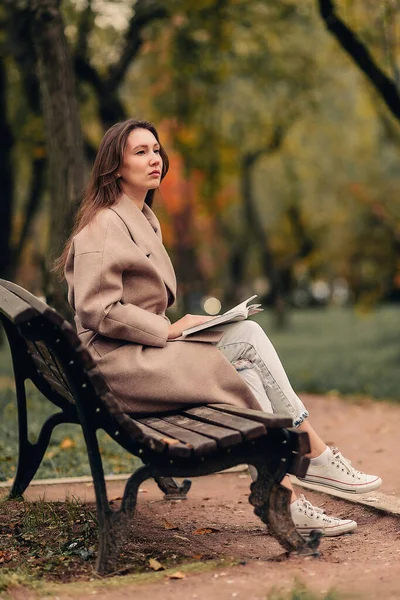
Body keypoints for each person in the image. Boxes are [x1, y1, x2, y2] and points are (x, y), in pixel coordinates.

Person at [58, 118, 382, 538]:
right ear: (115, 167)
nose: (154, 159)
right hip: (116, 368)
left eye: (156, 150)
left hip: (136, 355)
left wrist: (174, 329)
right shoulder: (104, 225)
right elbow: (96, 311)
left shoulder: (140, 217)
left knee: (245, 363)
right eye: (140, 152)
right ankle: (314, 457)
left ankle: (287, 496)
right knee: (245, 342)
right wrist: (171, 330)